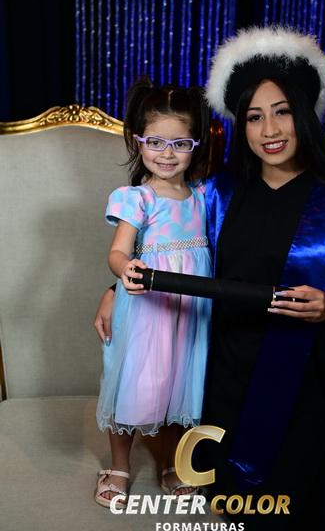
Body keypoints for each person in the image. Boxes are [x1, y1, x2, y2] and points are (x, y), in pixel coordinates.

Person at [94, 28, 325, 528]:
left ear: (305, 114)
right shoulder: (217, 195)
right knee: (226, 506)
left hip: (302, 386)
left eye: (282, 111)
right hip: (220, 378)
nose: (269, 129)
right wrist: (113, 292)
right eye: (254, 116)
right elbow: (174, 252)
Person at [94, 78, 212, 509]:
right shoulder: (137, 198)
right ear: (137, 141)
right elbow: (118, 252)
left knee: (180, 385)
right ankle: (119, 466)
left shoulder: (202, 197)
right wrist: (125, 269)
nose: (167, 153)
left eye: (180, 143)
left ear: (196, 145)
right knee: (134, 383)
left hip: (190, 312)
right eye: (156, 142)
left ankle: (172, 462)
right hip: (147, 310)